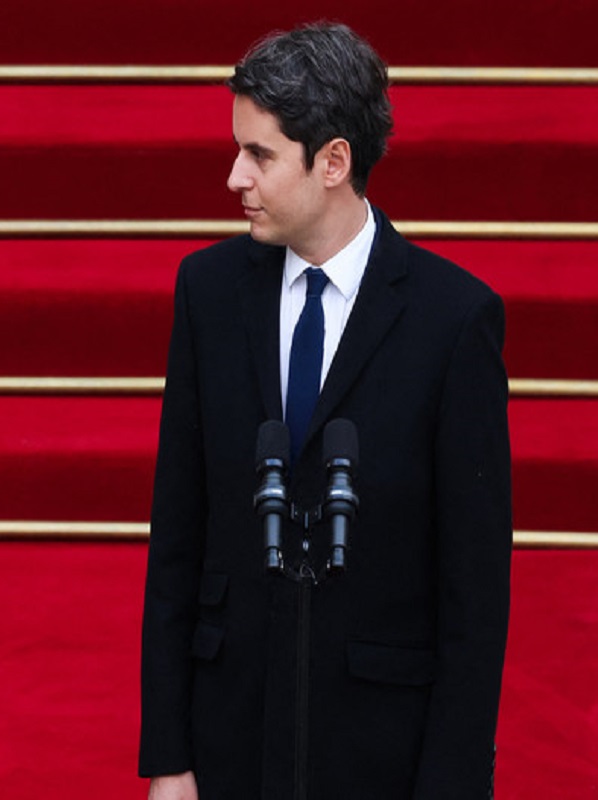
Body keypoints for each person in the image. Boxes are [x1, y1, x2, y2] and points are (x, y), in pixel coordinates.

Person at [139, 23, 511, 799]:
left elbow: (474, 594)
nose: (234, 176)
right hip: (231, 736)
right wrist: (169, 759)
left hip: (379, 753)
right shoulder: (207, 293)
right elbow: (178, 534)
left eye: (260, 155)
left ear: (334, 161)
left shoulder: (454, 319)